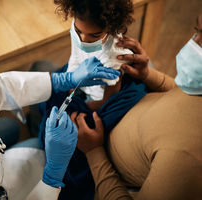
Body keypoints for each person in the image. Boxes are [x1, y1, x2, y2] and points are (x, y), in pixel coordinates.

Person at [0, 15, 120, 200]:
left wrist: (61, 80)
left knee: (11, 128)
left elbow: (0, 88)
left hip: (0, 164)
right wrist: (53, 176)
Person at [72, 14, 202, 200]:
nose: (193, 44)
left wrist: (93, 152)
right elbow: (181, 95)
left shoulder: (187, 160)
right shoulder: (197, 88)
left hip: (98, 160)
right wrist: (147, 75)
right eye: (196, 31)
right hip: (133, 102)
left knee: (46, 109)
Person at [37, 1, 147, 199]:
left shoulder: (116, 55)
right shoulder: (79, 29)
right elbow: (75, 59)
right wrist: (70, 81)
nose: (84, 40)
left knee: (66, 139)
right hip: (79, 84)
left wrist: (82, 105)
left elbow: (106, 100)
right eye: (79, 32)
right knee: (48, 97)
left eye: (94, 36)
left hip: (96, 101)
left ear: (111, 28)